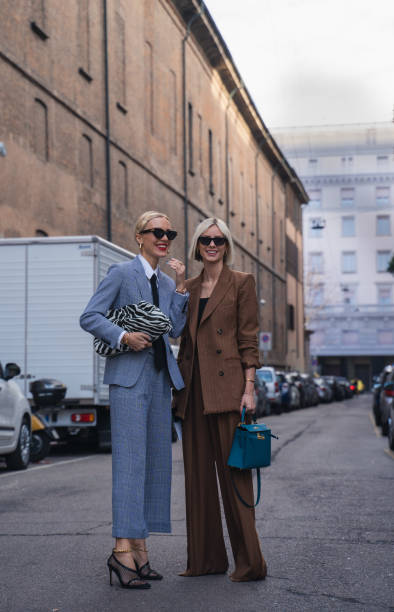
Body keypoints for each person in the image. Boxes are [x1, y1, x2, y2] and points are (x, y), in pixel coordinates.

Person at [80, 211, 188, 589]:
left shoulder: (162, 280)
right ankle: (121, 553)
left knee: (155, 466)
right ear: (139, 236)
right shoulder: (122, 274)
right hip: (128, 380)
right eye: (157, 231)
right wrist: (124, 336)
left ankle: (140, 548)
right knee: (129, 466)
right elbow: (90, 316)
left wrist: (180, 290)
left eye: (169, 232)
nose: (164, 237)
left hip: (159, 380)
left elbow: (174, 329)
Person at [173, 217, 267, 582]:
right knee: (197, 479)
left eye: (219, 240)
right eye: (205, 240)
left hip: (229, 392)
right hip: (192, 391)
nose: (212, 245)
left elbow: (248, 338)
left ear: (227, 245)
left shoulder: (242, 282)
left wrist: (249, 387)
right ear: (197, 246)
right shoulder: (190, 287)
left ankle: (250, 563)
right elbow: (177, 331)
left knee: (235, 477)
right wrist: (179, 290)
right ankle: (205, 560)